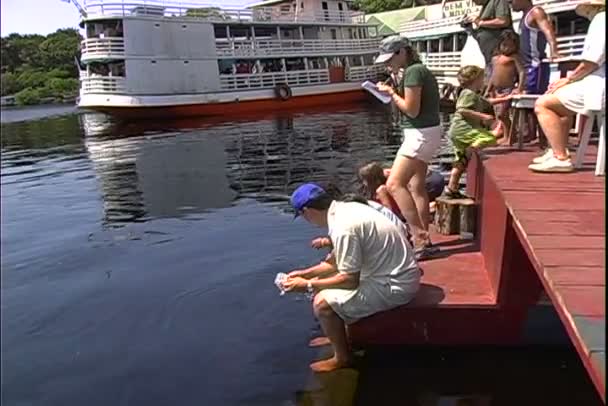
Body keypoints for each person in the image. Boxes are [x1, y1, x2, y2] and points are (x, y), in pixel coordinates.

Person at [283, 183, 420, 372]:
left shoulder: (343, 227)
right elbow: (334, 264)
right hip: (395, 272)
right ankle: (337, 335)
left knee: (322, 303)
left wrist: (307, 285)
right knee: (328, 288)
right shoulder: (346, 209)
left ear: (307, 211)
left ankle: (342, 358)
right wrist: (304, 274)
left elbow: (349, 280)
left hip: (395, 284)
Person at [374, 35, 442, 259]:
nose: (387, 64)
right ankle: (425, 240)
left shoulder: (413, 72)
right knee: (416, 187)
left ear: (402, 52)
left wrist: (392, 94)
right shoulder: (417, 70)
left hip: (419, 134)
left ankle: (420, 238)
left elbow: (411, 110)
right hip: (428, 132)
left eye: (389, 59)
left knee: (394, 184)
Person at [531, 0, 605, 173]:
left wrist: (569, 79)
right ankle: (557, 149)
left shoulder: (601, 19)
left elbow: (591, 61)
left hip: (600, 86)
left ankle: (560, 157)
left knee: (543, 103)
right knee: (558, 97)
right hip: (599, 83)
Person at [444, 66, 513, 197]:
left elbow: (487, 102)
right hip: (462, 130)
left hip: (457, 132)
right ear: (475, 79)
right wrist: (483, 117)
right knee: (491, 139)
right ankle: (472, 148)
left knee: (461, 160)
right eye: (482, 78)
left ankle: (452, 187)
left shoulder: (473, 94)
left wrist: (505, 99)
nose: (484, 81)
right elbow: (461, 110)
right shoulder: (467, 93)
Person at [511, 0, 562, 140]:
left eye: (512, 0)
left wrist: (554, 50)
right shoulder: (523, 16)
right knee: (529, 105)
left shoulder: (536, 12)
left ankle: (548, 139)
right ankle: (534, 134)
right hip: (527, 67)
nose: (510, 3)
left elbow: (548, 30)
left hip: (536, 66)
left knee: (538, 103)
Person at [487, 31, 526, 138]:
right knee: (498, 115)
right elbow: (493, 75)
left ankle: (508, 136)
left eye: (510, 46)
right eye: (505, 45)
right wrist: (489, 88)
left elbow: (522, 72)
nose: (507, 48)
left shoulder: (514, 58)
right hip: (495, 90)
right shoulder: (495, 58)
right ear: (499, 44)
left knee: (502, 114)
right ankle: (506, 133)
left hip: (507, 89)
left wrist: (519, 88)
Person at [463, 0, 513, 80]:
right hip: (489, 60)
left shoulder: (497, 1)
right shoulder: (484, 7)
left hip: (501, 59)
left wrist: (480, 22)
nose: (473, 1)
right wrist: (469, 28)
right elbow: (482, 35)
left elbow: (504, 21)